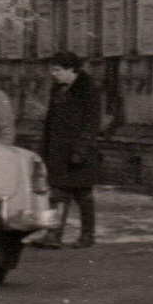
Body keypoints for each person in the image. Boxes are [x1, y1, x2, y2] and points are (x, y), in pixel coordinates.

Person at [34, 51, 102, 249]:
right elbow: (50, 121)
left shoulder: (88, 89)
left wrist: (80, 151)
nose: (53, 74)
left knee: (83, 195)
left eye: (57, 70)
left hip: (80, 152)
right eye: (52, 70)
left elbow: (92, 123)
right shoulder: (58, 89)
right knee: (57, 194)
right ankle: (53, 235)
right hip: (58, 150)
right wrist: (45, 148)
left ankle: (88, 235)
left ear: (71, 70)